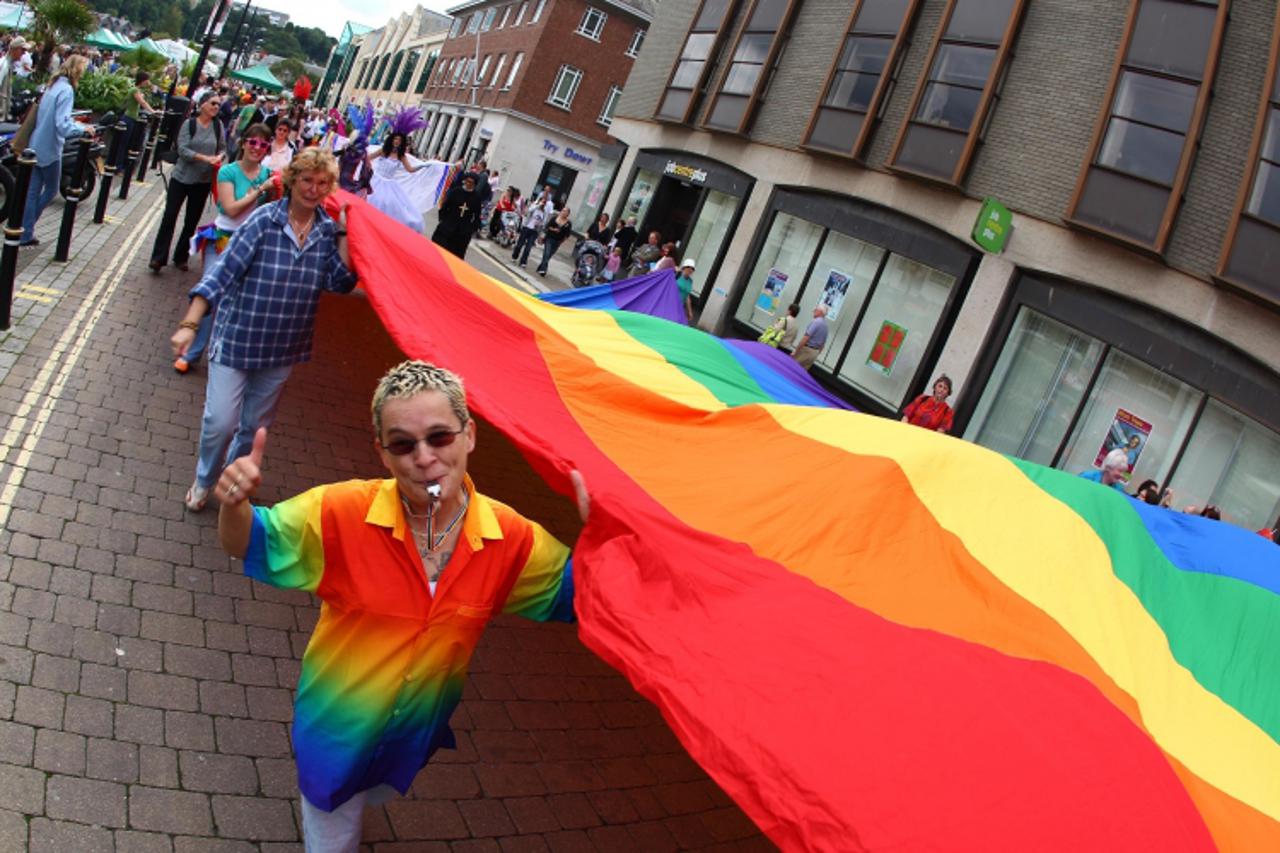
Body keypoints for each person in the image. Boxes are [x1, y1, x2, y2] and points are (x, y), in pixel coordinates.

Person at [212, 360, 589, 852]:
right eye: (403, 444)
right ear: (383, 455)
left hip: (413, 735)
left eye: (440, 437)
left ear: (469, 435)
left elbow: (582, 598)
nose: (424, 458)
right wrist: (233, 504)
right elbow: (247, 543)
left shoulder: (511, 539)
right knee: (334, 830)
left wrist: (605, 540)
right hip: (336, 736)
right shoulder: (339, 511)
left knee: (375, 793)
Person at [169, 148, 357, 512]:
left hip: (283, 348)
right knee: (220, 421)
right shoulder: (263, 221)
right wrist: (190, 324)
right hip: (238, 338)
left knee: (253, 425)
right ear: (292, 180)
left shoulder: (325, 231)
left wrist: (345, 231)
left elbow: (340, 281)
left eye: (322, 183)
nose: (313, 189)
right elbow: (220, 276)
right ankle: (205, 477)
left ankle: (230, 480)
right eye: (306, 180)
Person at [177, 123, 280, 375]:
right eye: (253, 142)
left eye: (263, 145)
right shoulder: (228, 172)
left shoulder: (268, 174)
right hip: (222, 240)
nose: (257, 148)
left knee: (240, 302)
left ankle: (226, 355)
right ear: (243, 142)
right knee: (212, 291)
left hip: (249, 243)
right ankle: (191, 353)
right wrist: (260, 190)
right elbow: (231, 208)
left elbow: (274, 210)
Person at [19, 55, 94, 247]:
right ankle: (26, 228)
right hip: (50, 148)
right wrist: (82, 129)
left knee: (32, 192)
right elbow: (62, 125)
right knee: (51, 190)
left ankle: (24, 232)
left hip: (35, 144)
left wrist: (75, 124)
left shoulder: (52, 85)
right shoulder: (67, 90)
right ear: (77, 71)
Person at [149, 91, 224, 271]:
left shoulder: (218, 126)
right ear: (203, 104)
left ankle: (181, 256)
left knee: (191, 221)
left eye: (218, 105)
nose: (216, 107)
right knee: (169, 216)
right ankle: (158, 257)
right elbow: (183, 150)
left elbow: (222, 148)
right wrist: (206, 158)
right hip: (181, 178)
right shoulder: (189, 124)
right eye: (213, 103)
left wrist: (219, 157)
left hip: (203, 181)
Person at [432, 170, 483, 259]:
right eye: (467, 181)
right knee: (439, 249)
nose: (468, 183)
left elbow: (477, 215)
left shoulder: (476, 197)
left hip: (462, 231)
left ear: (474, 184)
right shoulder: (456, 191)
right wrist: (442, 219)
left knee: (455, 255)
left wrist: (471, 229)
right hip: (448, 225)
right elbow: (445, 206)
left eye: (471, 182)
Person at [120, 70, 160, 168]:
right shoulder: (135, 90)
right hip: (129, 118)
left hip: (132, 118)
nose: (148, 82)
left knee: (128, 142)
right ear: (143, 80)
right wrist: (152, 111)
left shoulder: (137, 90)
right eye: (147, 80)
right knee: (124, 143)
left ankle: (123, 165)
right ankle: (119, 166)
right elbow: (142, 103)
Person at [512, 194, 548, 268]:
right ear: (539, 201)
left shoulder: (544, 212)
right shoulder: (534, 207)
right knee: (520, 245)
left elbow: (544, 223)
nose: (543, 204)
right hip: (526, 228)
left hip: (534, 231)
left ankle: (523, 262)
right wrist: (538, 205)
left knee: (528, 248)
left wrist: (540, 225)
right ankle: (515, 256)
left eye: (544, 203)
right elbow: (529, 211)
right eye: (542, 202)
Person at [537, 206, 573, 276]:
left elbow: (567, 235)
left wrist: (562, 241)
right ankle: (543, 270)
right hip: (549, 238)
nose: (563, 212)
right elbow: (547, 226)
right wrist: (553, 229)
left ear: (568, 214)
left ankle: (540, 267)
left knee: (549, 256)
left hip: (558, 241)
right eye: (563, 210)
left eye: (565, 211)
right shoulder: (554, 218)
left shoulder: (568, 223)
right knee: (546, 253)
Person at [0, 37, 30, 120]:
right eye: (22, 50)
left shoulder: (9, 65)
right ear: (14, 49)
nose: (24, 53)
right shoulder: (4, 65)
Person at [791, 304, 829, 370]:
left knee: (793, 368)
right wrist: (816, 353)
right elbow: (822, 345)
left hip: (806, 351)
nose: (813, 311)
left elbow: (805, 338)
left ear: (820, 312)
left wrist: (796, 351)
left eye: (815, 309)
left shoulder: (816, 322)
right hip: (814, 353)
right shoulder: (825, 326)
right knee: (802, 373)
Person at [675, 258, 696, 324]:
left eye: (692, 268)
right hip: (670, 305)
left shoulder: (690, 281)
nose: (690, 270)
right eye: (688, 267)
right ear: (684, 268)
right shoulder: (677, 276)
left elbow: (687, 297)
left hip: (679, 308)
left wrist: (690, 312)